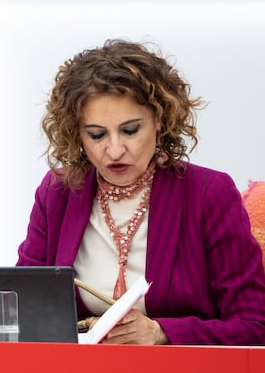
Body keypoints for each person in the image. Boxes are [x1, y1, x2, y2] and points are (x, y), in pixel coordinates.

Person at [17, 39, 265, 345]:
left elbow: (254, 326)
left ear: (160, 120)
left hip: (178, 372)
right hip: (79, 370)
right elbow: (22, 310)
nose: (115, 150)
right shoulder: (58, 192)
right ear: (77, 133)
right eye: (97, 134)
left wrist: (162, 333)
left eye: (130, 130)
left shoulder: (209, 193)